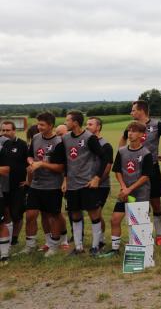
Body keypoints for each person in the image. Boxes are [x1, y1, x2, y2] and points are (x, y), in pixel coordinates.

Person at [119, 100, 161, 245]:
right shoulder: (132, 127)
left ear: (141, 111)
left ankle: (159, 235)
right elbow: (123, 139)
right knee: (136, 203)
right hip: (134, 172)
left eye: (133, 110)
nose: (131, 113)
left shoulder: (157, 125)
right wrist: (122, 155)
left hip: (152, 169)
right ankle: (140, 236)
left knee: (156, 204)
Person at [100, 121, 153, 257]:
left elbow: (146, 176)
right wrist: (124, 188)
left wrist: (130, 189)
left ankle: (142, 251)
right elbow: (117, 171)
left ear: (141, 134)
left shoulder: (146, 153)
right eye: (129, 130)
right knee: (115, 219)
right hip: (125, 192)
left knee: (137, 223)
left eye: (134, 131)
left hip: (139, 193)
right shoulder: (122, 151)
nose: (130, 133)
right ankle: (115, 250)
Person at [22, 112, 68, 256]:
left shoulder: (59, 142)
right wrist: (31, 162)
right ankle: (30, 245)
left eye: (42, 125)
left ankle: (54, 246)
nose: (39, 127)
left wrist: (41, 164)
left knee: (52, 216)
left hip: (53, 186)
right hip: (36, 184)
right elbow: (30, 156)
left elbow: (60, 167)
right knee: (30, 215)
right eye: (38, 124)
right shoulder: (36, 137)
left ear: (51, 125)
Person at [62, 110, 107, 256]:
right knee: (75, 214)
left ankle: (95, 246)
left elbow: (104, 158)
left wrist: (97, 178)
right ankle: (78, 247)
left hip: (87, 184)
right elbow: (65, 161)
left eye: (67, 120)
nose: (65, 123)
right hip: (72, 184)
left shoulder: (89, 138)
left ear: (75, 122)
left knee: (94, 214)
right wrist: (65, 179)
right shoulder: (65, 138)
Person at [86, 116, 113, 250]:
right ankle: (99, 239)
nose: (87, 127)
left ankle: (99, 241)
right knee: (93, 213)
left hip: (101, 185)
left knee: (97, 213)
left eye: (90, 124)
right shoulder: (85, 142)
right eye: (86, 124)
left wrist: (97, 180)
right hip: (86, 183)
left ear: (98, 127)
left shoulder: (106, 145)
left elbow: (107, 168)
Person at [0, 121, 28, 247]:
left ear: (14, 130)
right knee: (6, 213)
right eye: (3, 130)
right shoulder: (1, 144)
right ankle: (8, 239)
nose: (5, 133)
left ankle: (15, 239)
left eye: (8, 130)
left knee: (17, 214)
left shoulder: (22, 145)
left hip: (18, 185)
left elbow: (29, 163)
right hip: (3, 186)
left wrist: (28, 180)